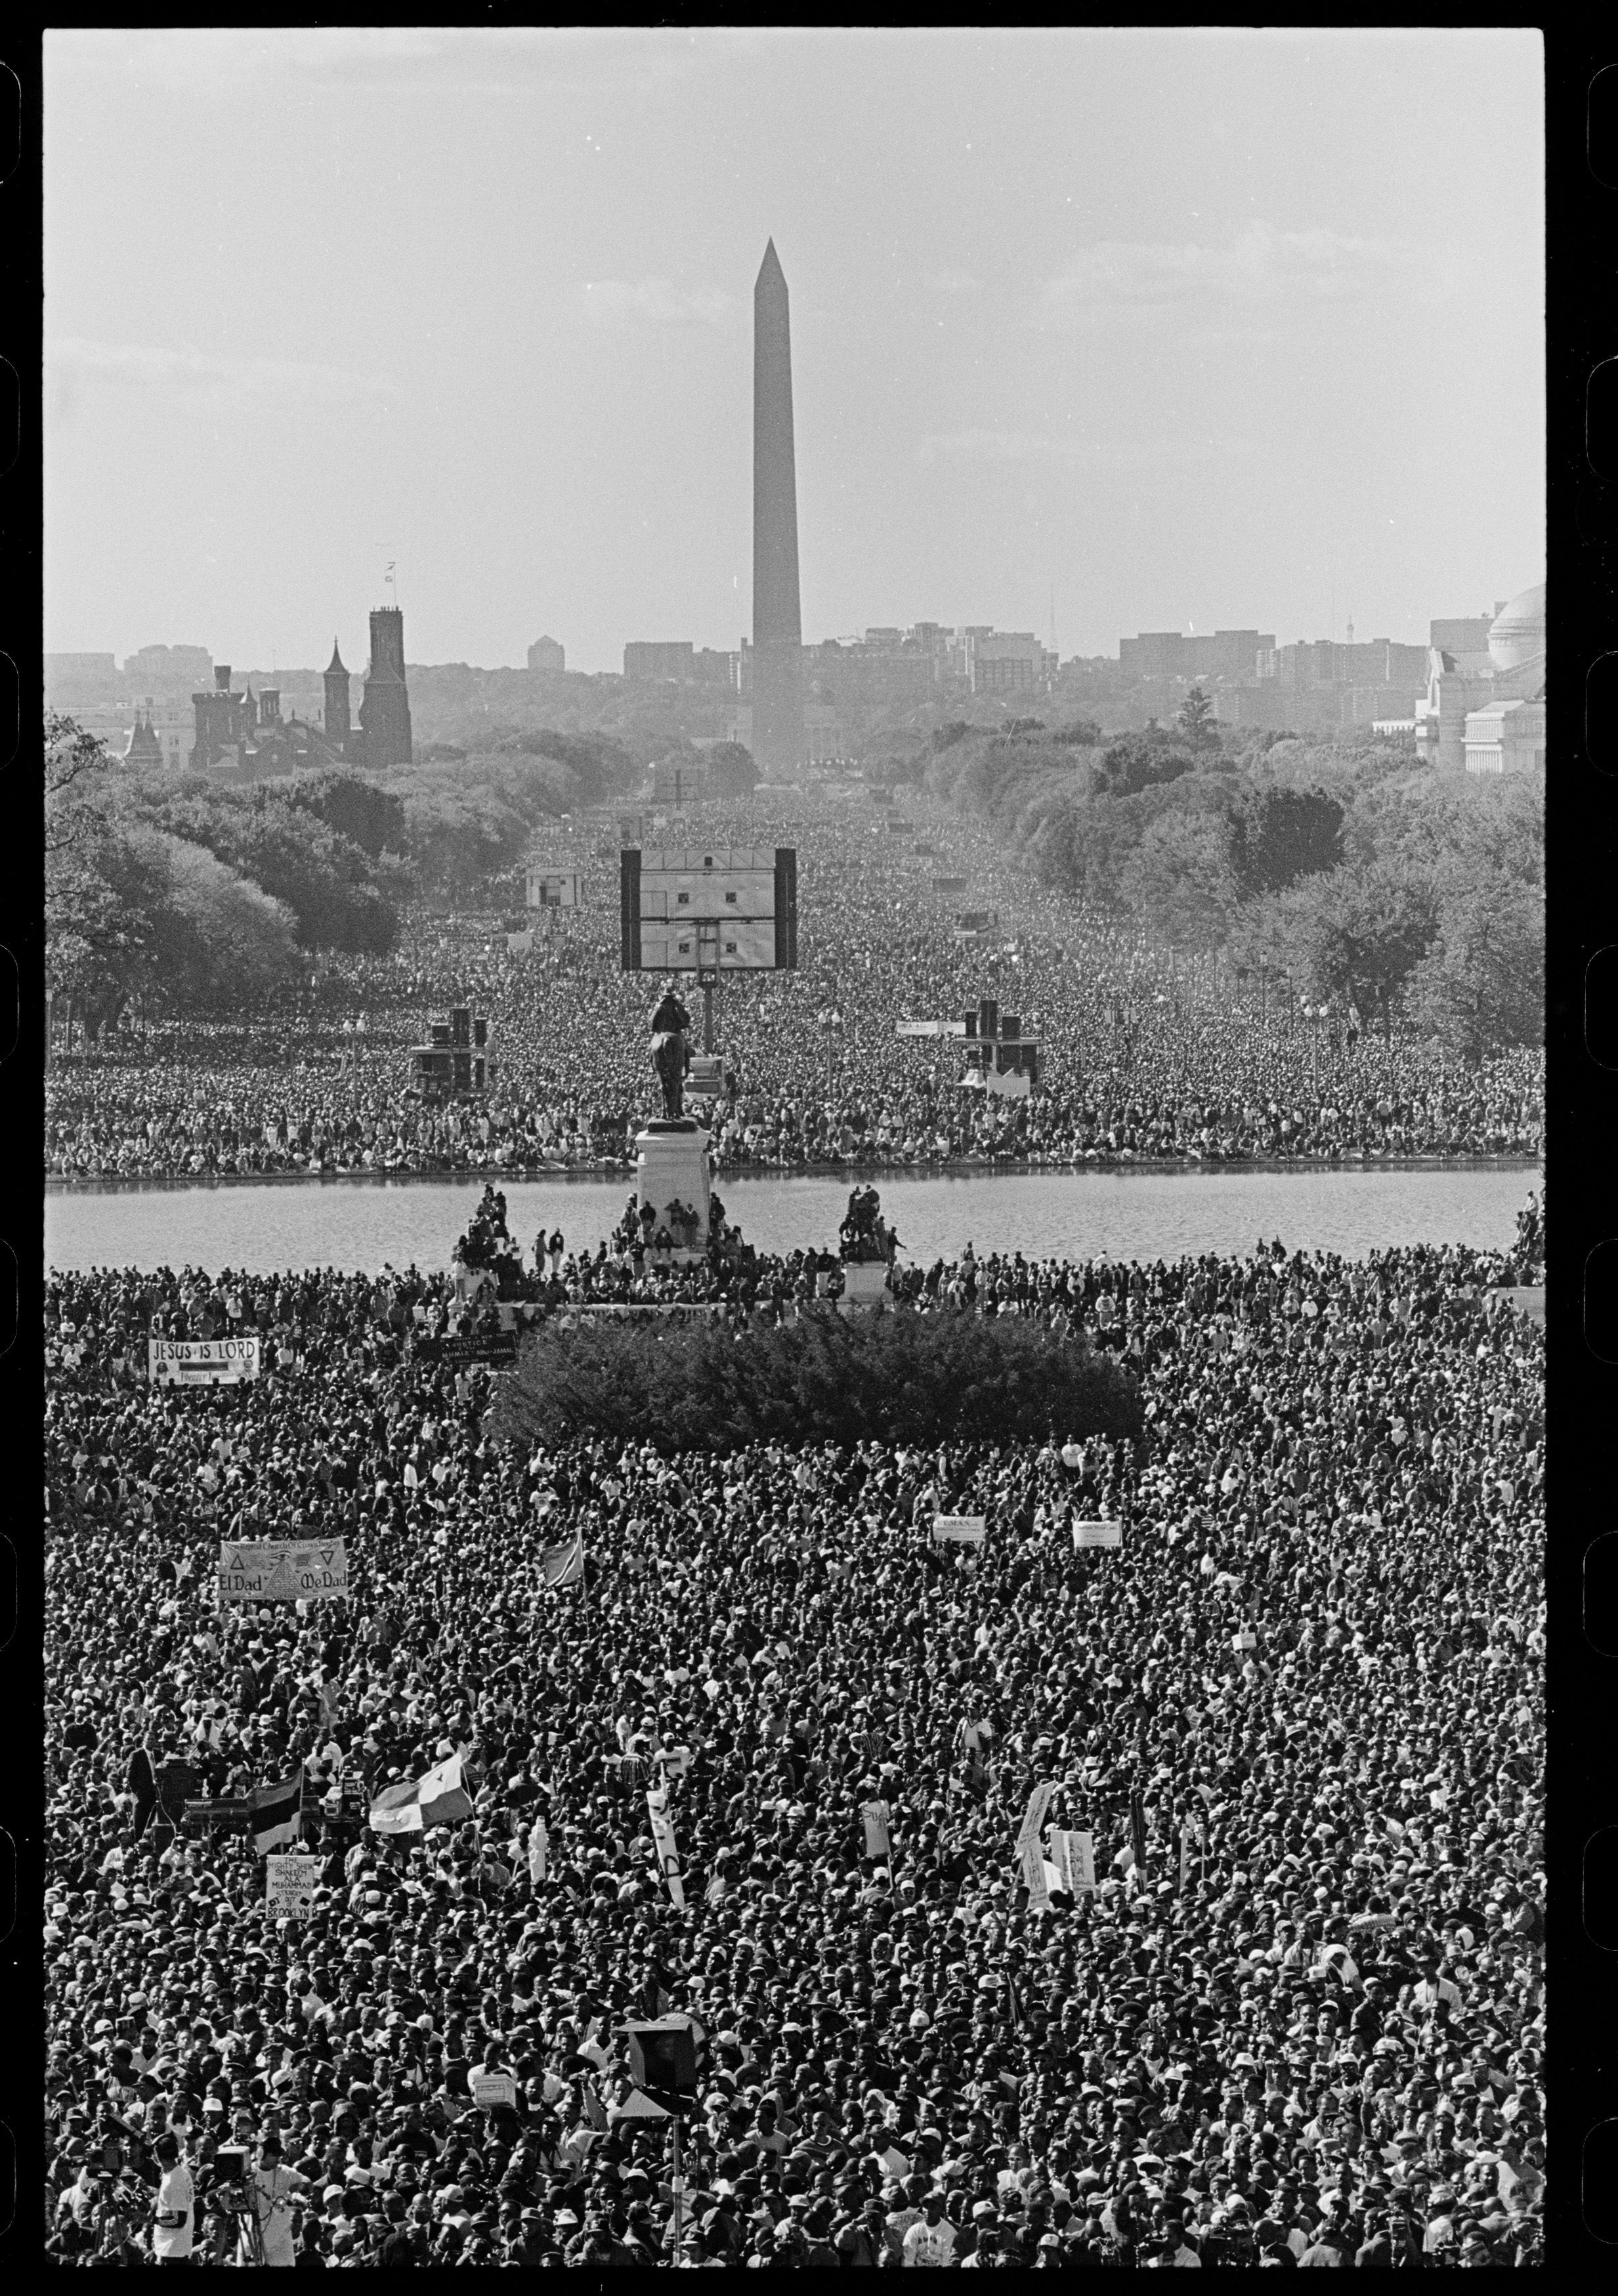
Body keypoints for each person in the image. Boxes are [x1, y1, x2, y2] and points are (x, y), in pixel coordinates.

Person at [240, 2130, 309, 2268]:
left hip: (281, 2237)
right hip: (252, 2236)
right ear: (261, 2154)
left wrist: (301, 2186)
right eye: (274, 2155)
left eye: (280, 2155)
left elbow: (307, 2183)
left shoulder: (286, 2172)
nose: (278, 2159)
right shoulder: (247, 2172)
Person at [151, 2129, 194, 2265]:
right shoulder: (179, 2174)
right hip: (171, 2247)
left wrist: (149, 2219)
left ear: (157, 2155)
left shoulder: (174, 2181)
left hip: (173, 2251)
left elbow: (178, 2220)